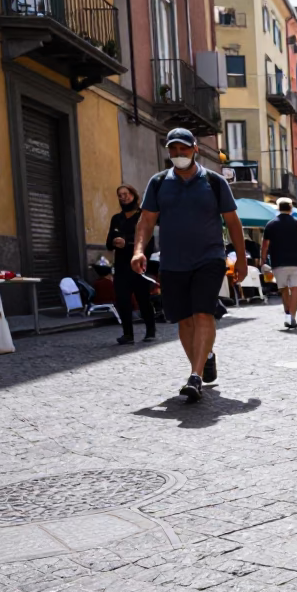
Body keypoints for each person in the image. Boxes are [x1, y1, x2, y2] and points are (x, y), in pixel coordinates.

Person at [131, 128, 245, 402]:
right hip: (172, 261)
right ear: (168, 151)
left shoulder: (215, 182)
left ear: (194, 148)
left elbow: (232, 222)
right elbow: (146, 221)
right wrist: (138, 251)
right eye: (174, 149)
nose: (179, 154)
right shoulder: (159, 183)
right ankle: (204, 356)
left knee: (203, 313)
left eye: (184, 148)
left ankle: (195, 376)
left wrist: (241, 258)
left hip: (209, 258)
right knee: (184, 319)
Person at [107, 183, 156, 345]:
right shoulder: (116, 218)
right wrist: (114, 241)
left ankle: (150, 331)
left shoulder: (143, 216)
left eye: (126, 194)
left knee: (143, 299)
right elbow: (108, 243)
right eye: (120, 195)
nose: (123, 197)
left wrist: (126, 242)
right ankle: (127, 334)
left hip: (139, 265)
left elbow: (149, 243)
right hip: (121, 266)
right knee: (122, 300)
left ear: (133, 195)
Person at [261, 197, 297, 329]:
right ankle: (291, 316)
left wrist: (263, 259)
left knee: (284, 290)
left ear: (278, 208)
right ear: (291, 208)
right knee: (296, 288)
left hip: (278, 262)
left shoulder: (271, 224)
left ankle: (288, 315)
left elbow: (265, 245)